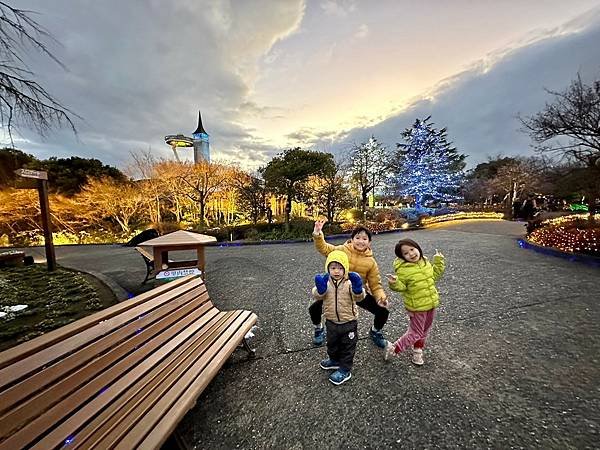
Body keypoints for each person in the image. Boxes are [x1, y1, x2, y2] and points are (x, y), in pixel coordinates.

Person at [310, 219, 389, 348]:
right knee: (314, 308)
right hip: (335, 290)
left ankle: (375, 331)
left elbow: (375, 284)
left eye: (364, 239)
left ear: (369, 242)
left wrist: (381, 298)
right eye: (357, 237)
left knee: (383, 311)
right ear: (352, 239)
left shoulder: (371, 262)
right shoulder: (341, 250)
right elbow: (324, 248)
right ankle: (319, 328)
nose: (361, 241)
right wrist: (318, 233)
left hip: (356, 292)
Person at [384, 238, 445, 366]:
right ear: (402, 257)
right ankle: (395, 348)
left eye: (412, 249)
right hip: (417, 307)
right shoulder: (403, 270)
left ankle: (417, 351)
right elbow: (402, 287)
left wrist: (438, 262)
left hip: (431, 304)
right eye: (406, 253)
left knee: (425, 330)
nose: (411, 254)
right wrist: (394, 283)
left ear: (417, 248)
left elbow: (433, 276)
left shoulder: (425, 262)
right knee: (415, 332)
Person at [312, 250, 365, 385]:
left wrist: (358, 289)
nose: (336, 271)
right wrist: (319, 289)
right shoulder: (326, 282)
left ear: (345, 269)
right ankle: (334, 361)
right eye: (333, 267)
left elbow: (359, 297)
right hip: (331, 321)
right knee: (332, 344)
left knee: (348, 347)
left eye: (340, 268)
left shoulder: (349, 282)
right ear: (328, 268)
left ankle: (345, 370)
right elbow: (317, 295)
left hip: (348, 322)